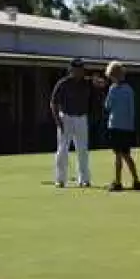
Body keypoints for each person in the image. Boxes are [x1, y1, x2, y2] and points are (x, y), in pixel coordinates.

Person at [50, 58, 104, 188]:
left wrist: (97, 80)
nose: (79, 72)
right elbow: (53, 103)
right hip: (66, 117)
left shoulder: (87, 83)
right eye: (76, 69)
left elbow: (101, 84)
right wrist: (57, 121)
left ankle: (84, 179)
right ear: (71, 70)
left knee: (82, 150)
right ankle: (60, 179)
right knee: (62, 149)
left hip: (81, 118)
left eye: (81, 69)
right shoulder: (63, 83)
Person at [103, 61, 140, 192]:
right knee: (126, 155)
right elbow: (132, 110)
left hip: (115, 125)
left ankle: (118, 182)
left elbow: (107, 106)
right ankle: (136, 180)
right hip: (127, 127)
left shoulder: (113, 89)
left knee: (118, 155)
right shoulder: (129, 90)